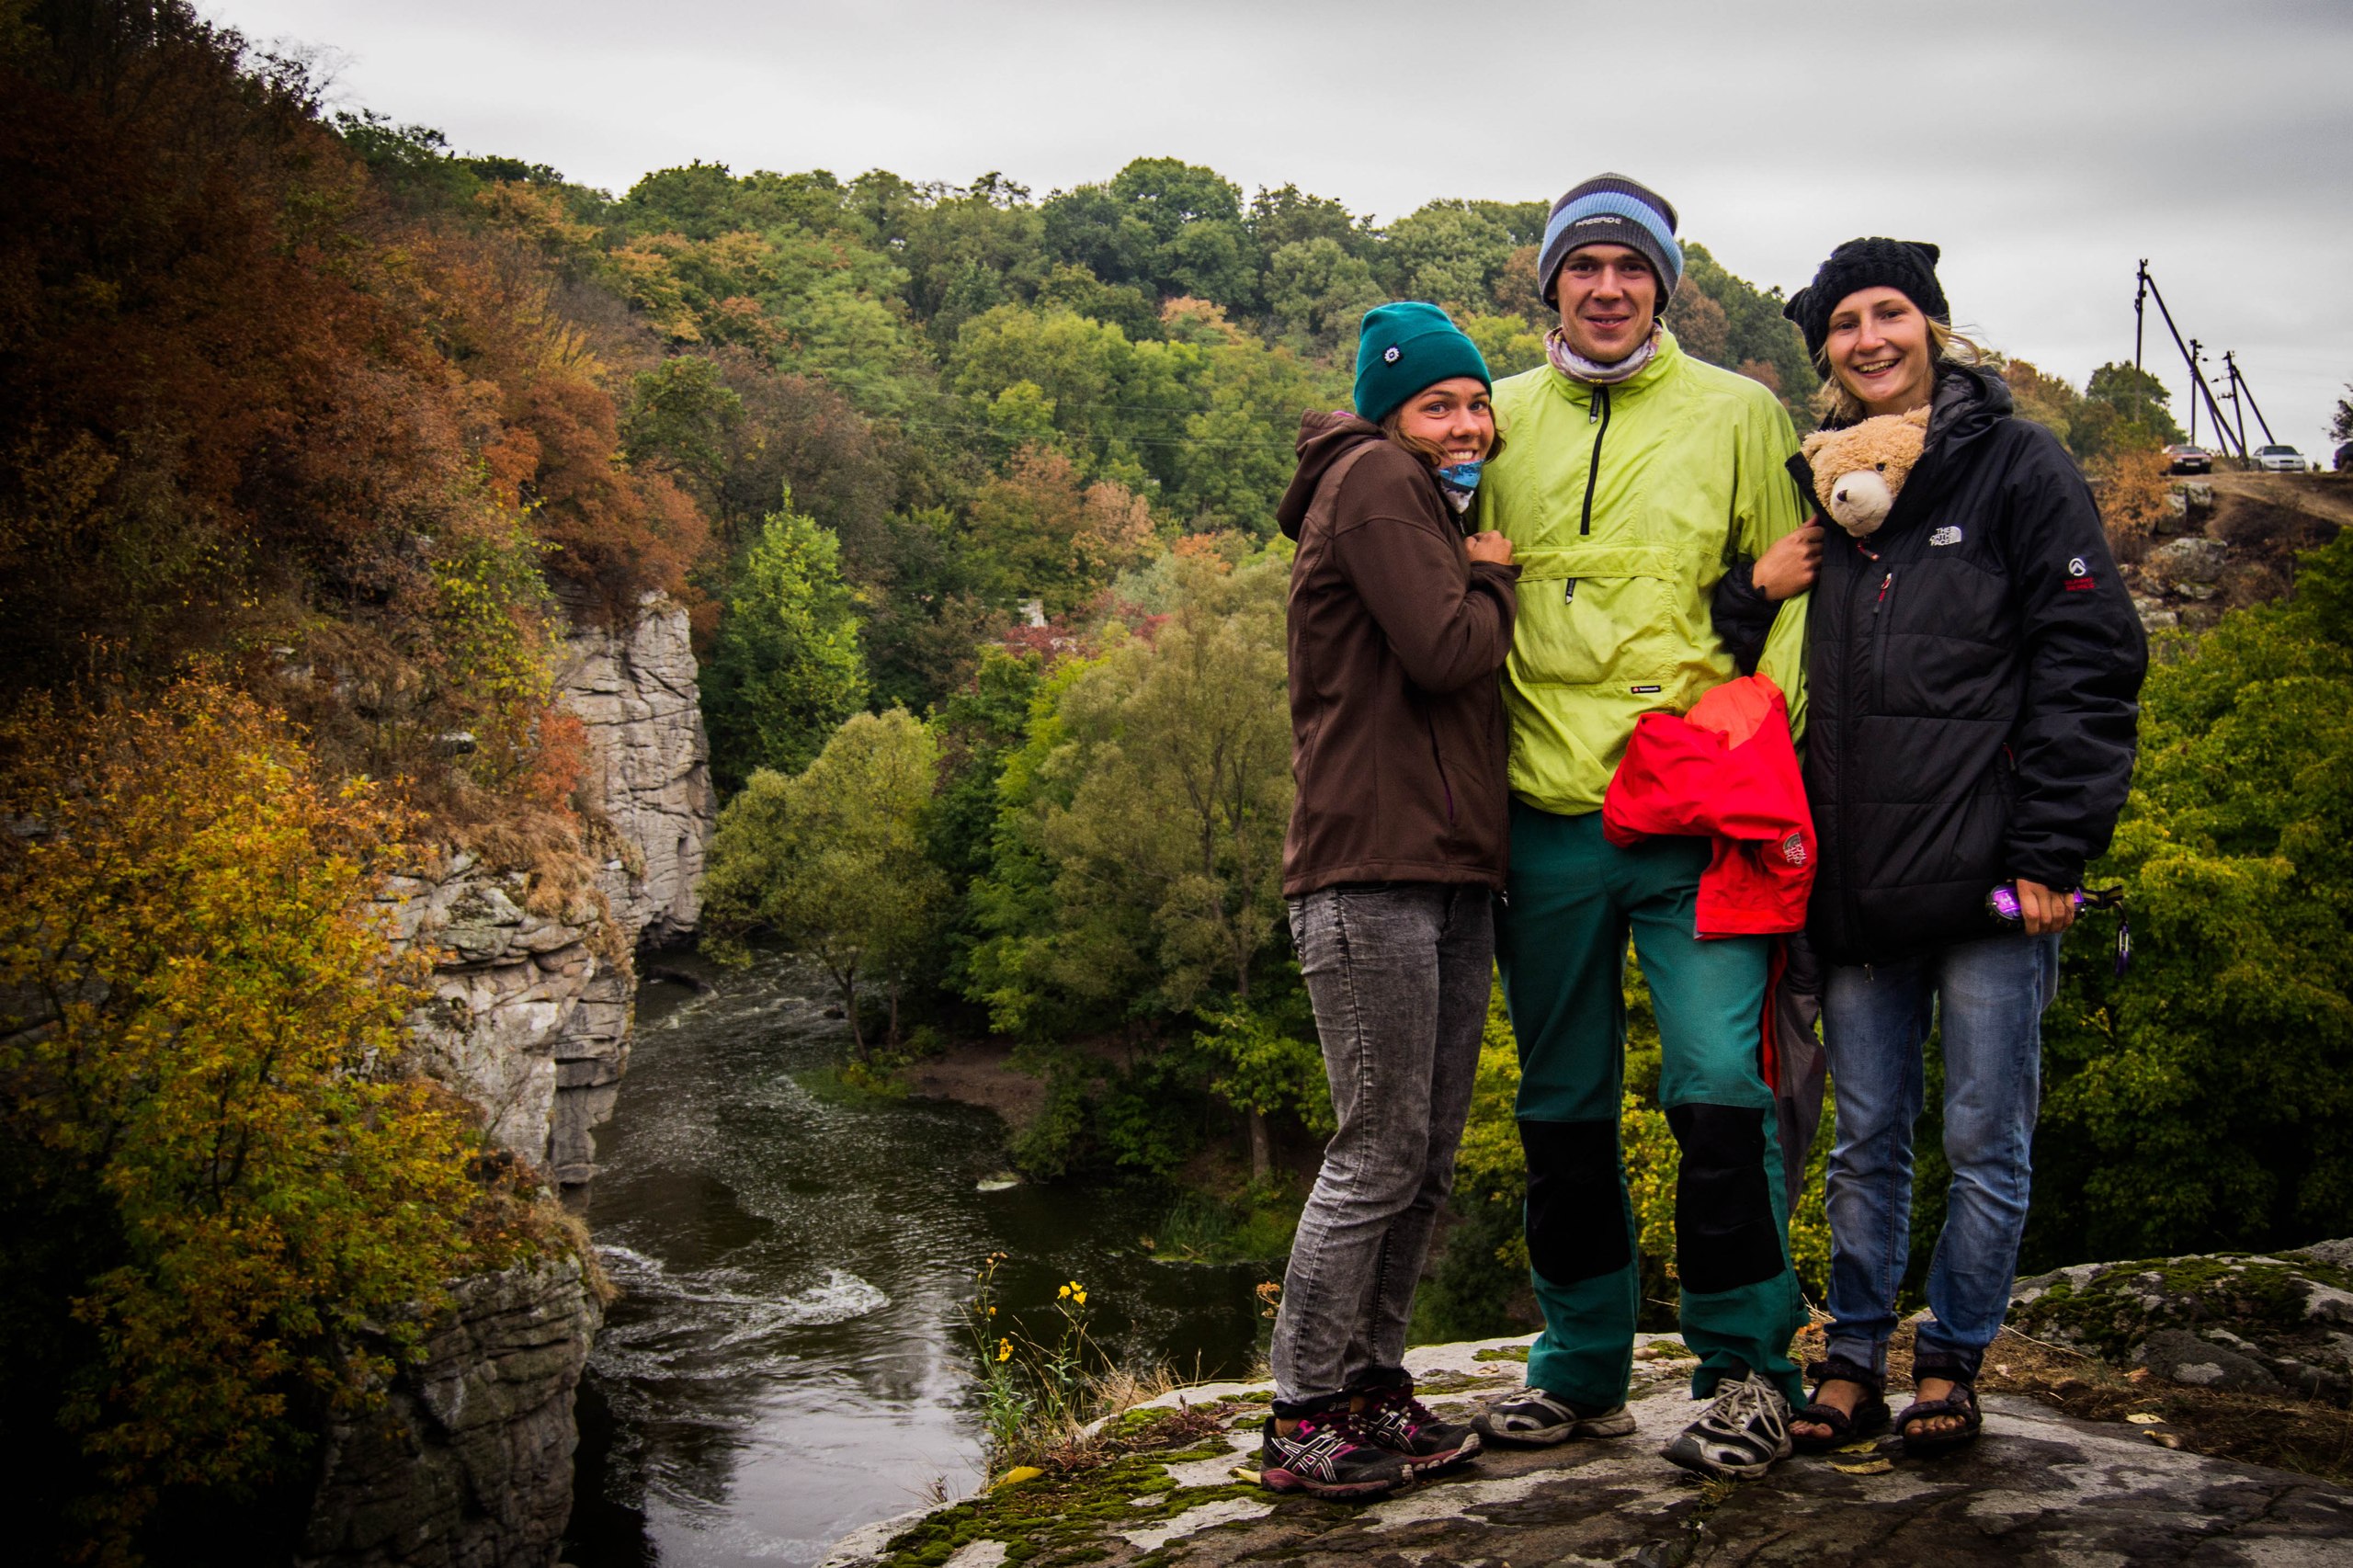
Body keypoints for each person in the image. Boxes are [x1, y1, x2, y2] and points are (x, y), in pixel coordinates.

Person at [1764, 239, 2146, 1456]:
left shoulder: (2020, 464)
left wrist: (2053, 851)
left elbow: (2090, 656)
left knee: (1987, 1133)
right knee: (1866, 1137)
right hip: (1864, 884)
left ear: (1933, 325)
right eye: (1844, 324)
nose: (1868, 337)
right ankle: (1857, 1354)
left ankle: (1955, 1358)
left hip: (1994, 878)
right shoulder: (1822, 488)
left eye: (1890, 314)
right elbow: (1765, 641)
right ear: (1825, 352)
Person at [1469, 174, 1816, 1482]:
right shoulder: (1491, 416)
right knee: (1561, 1106)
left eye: (1632, 267)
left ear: (1664, 284)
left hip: (1696, 823)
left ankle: (1747, 1371)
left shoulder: (1740, 411)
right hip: (1542, 817)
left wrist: (1749, 756)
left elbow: (1797, 603)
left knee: (1723, 1089)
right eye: (1584, 265)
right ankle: (1579, 1366)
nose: (1607, 287)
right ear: (1549, 280)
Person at [1258, 301, 1520, 1500]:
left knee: (1424, 1157)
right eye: (1439, 404)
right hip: (1368, 873)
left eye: (1475, 402)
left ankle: (1374, 1385)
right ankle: (1304, 1410)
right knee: (1376, 1151)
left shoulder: (1420, 497)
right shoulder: (1370, 478)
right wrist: (1494, 580)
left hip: (1448, 868)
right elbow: (1445, 650)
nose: (1464, 422)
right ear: (1390, 411)